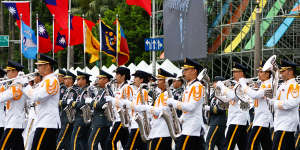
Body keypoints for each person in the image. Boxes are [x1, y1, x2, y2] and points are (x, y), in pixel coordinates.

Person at [167, 58, 206, 150]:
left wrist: (173, 102)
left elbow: (191, 107)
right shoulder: (189, 86)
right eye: (184, 70)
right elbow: (186, 109)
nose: (184, 72)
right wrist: (180, 119)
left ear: (194, 71)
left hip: (192, 128)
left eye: (186, 70)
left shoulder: (197, 86)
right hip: (188, 126)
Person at [239, 61, 273, 150]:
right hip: (259, 119)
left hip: (262, 120)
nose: (258, 74)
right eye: (259, 71)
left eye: (261, 72)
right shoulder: (263, 84)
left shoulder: (268, 84)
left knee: (251, 145)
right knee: (267, 146)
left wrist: (243, 84)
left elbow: (255, 95)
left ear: (267, 74)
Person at [267, 59, 300, 150]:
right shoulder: (282, 85)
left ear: (290, 72)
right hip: (280, 123)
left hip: (286, 124)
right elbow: (274, 100)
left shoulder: (294, 86)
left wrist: (275, 103)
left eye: (283, 71)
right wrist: (270, 99)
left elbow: (292, 102)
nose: (281, 73)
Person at [216, 62, 249, 150]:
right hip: (235, 119)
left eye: (236, 72)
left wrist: (222, 87)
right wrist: (219, 95)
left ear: (242, 73)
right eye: (233, 72)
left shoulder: (243, 85)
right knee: (244, 146)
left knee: (228, 146)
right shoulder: (237, 85)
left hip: (237, 120)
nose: (233, 74)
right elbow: (228, 100)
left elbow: (232, 96)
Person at [30, 54, 61, 150]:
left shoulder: (52, 80)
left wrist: (25, 87)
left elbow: (38, 97)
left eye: (40, 65)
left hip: (47, 122)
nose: (37, 68)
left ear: (47, 66)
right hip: (43, 121)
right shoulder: (45, 81)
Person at [147, 68, 175, 150]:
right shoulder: (161, 94)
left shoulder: (167, 95)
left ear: (166, 81)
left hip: (163, 131)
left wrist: (147, 108)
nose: (157, 82)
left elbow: (161, 111)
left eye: (160, 80)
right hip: (158, 131)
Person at [0, 60, 26, 149]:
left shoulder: (17, 85)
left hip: (14, 123)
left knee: (3, 147)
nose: (6, 73)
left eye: (8, 71)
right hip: (15, 122)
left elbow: (2, 97)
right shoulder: (15, 85)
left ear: (14, 72)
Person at [106, 67, 133, 150]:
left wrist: (113, 100)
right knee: (125, 144)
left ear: (123, 76)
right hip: (118, 118)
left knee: (111, 141)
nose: (115, 76)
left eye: (117, 74)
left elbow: (127, 104)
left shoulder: (127, 87)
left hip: (123, 119)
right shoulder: (120, 88)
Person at [86, 70, 113, 150]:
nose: (98, 80)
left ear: (106, 80)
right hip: (99, 121)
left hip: (101, 121)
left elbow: (104, 105)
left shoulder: (107, 91)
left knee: (92, 143)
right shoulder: (101, 91)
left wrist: (91, 102)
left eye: (100, 78)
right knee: (105, 145)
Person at [70, 71, 92, 150]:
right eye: (77, 79)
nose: (77, 81)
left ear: (84, 80)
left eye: (79, 79)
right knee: (83, 142)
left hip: (82, 119)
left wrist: (73, 104)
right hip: (79, 118)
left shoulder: (86, 91)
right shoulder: (80, 90)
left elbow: (83, 104)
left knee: (75, 140)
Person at [204, 76, 227, 150]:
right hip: (215, 121)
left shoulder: (222, 93)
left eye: (215, 82)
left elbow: (221, 108)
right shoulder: (214, 93)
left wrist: (209, 108)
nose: (213, 84)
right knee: (221, 145)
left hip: (218, 122)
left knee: (209, 142)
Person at [56, 70, 78, 150]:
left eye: (66, 78)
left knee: (60, 139)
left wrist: (61, 102)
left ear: (71, 80)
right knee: (67, 141)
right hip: (63, 117)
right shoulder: (67, 90)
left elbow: (69, 102)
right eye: (64, 78)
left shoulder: (72, 91)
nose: (64, 80)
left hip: (68, 118)